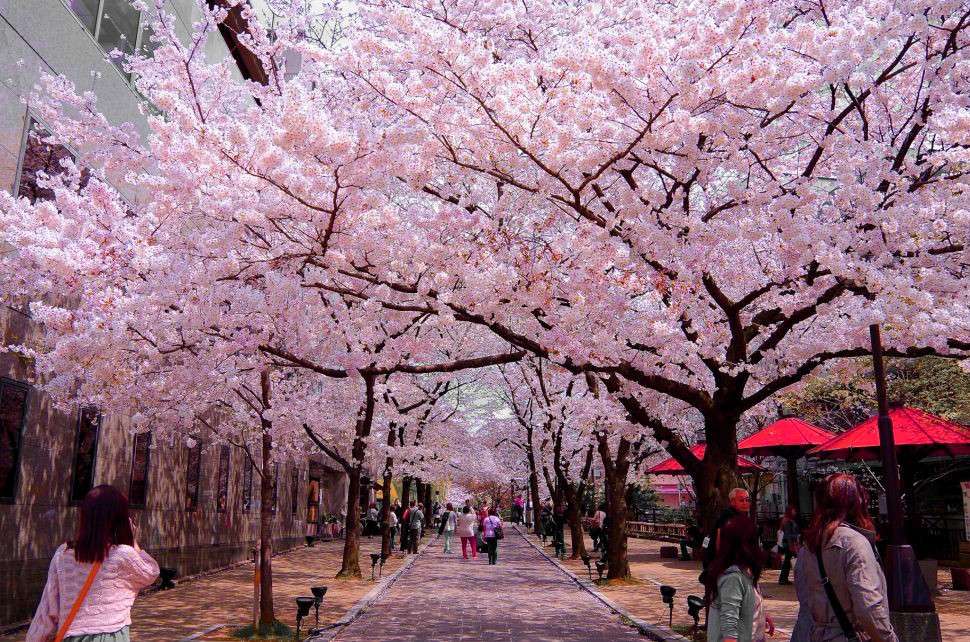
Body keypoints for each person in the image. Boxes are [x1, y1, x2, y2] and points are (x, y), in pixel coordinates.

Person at [27, 485, 159, 642]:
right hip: (110, 636)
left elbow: (48, 608)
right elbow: (151, 572)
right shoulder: (122, 554)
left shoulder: (63, 553)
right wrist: (132, 540)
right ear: (120, 519)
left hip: (69, 635)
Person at [792, 473, 898, 642]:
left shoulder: (810, 544)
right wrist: (889, 638)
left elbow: (804, 599)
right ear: (857, 502)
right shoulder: (854, 543)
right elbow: (868, 607)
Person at [704, 515, 774, 642]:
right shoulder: (733, 578)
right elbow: (729, 624)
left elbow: (744, 605)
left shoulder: (745, 572)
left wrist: (762, 616)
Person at [702, 488, 751, 573]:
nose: (745, 503)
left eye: (747, 500)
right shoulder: (728, 517)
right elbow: (719, 542)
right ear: (732, 502)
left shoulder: (739, 516)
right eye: (741, 500)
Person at [776, 505, 800, 585]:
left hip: (786, 543)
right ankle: (783, 579)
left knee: (787, 561)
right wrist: (792, 544)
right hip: (789, 543)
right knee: (790, 561)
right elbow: (788, 534)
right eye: (793, 510)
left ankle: (783, 579)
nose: (795, 512)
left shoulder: (785, 520)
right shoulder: (788, 521)